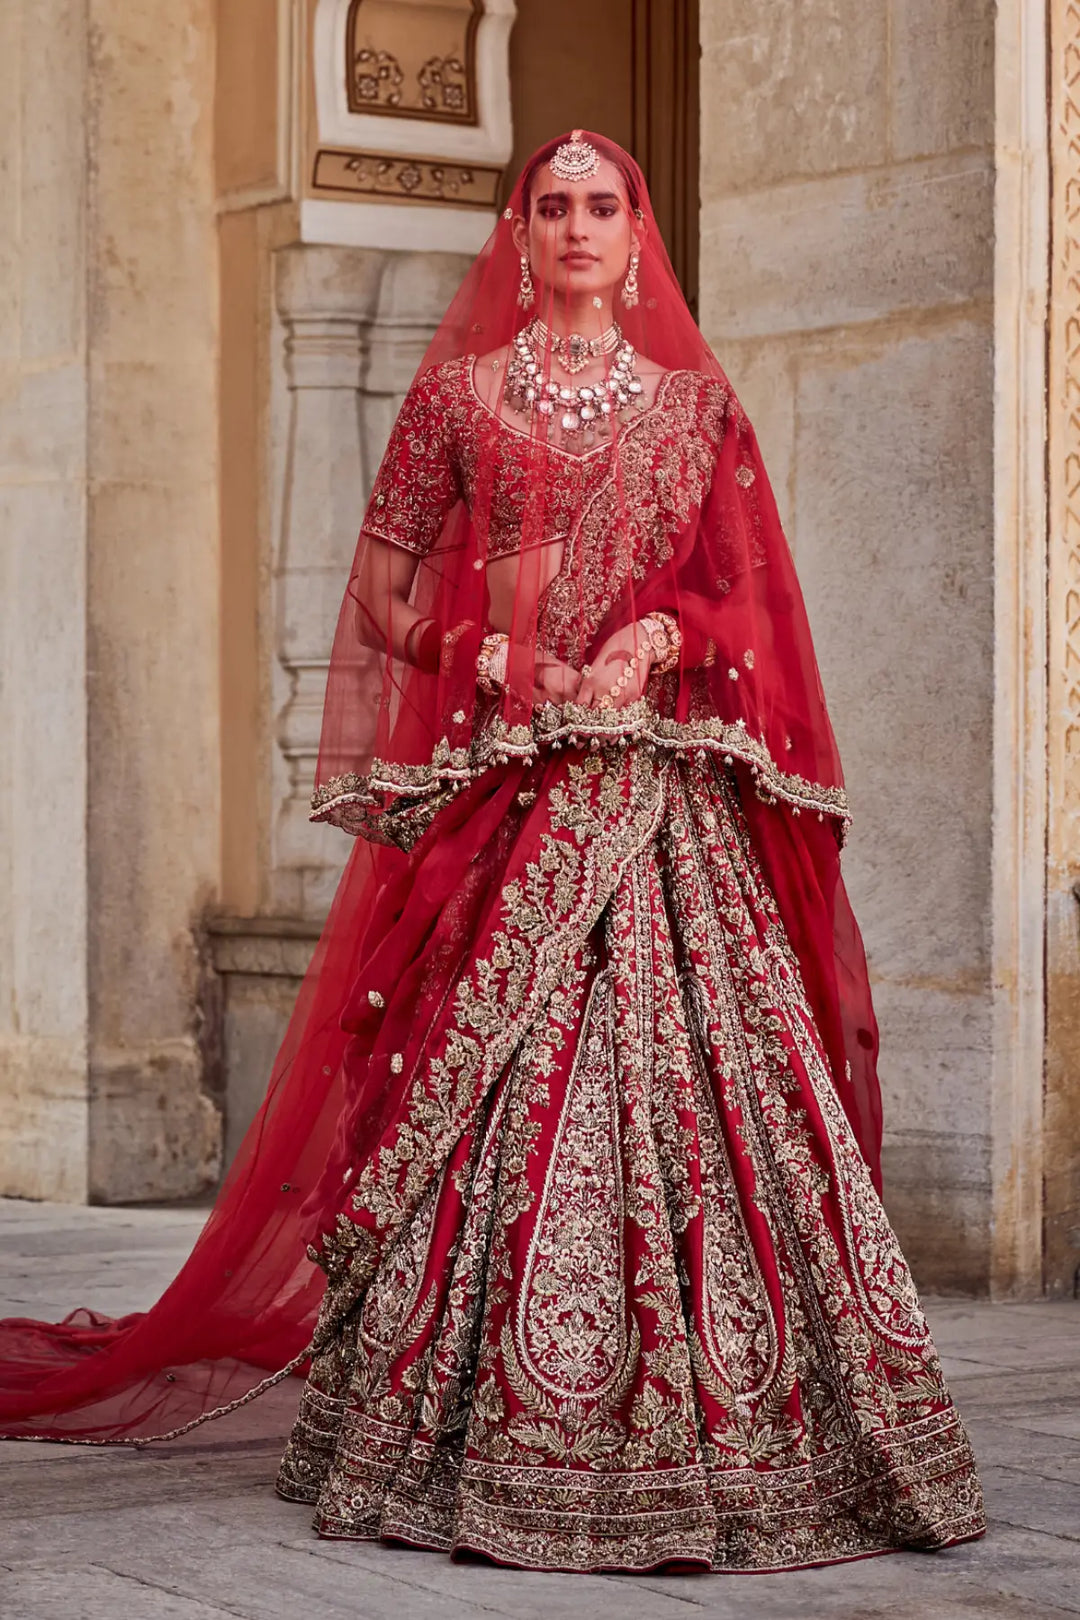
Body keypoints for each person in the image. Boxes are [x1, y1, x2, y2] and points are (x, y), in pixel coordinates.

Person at [0, 132, 984, 1575]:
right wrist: (489, 652)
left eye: (604, 207)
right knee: (493, 1090)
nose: (579, 228)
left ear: (638, 233)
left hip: (662, 814)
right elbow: (380, 590)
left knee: (711, 1092)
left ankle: (751, 1434)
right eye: (553, 208)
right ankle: (464, 1433)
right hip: (511, 799)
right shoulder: (457, 400)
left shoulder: (697, 410)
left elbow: (743, 604)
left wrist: (658, 638)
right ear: (518, 235)